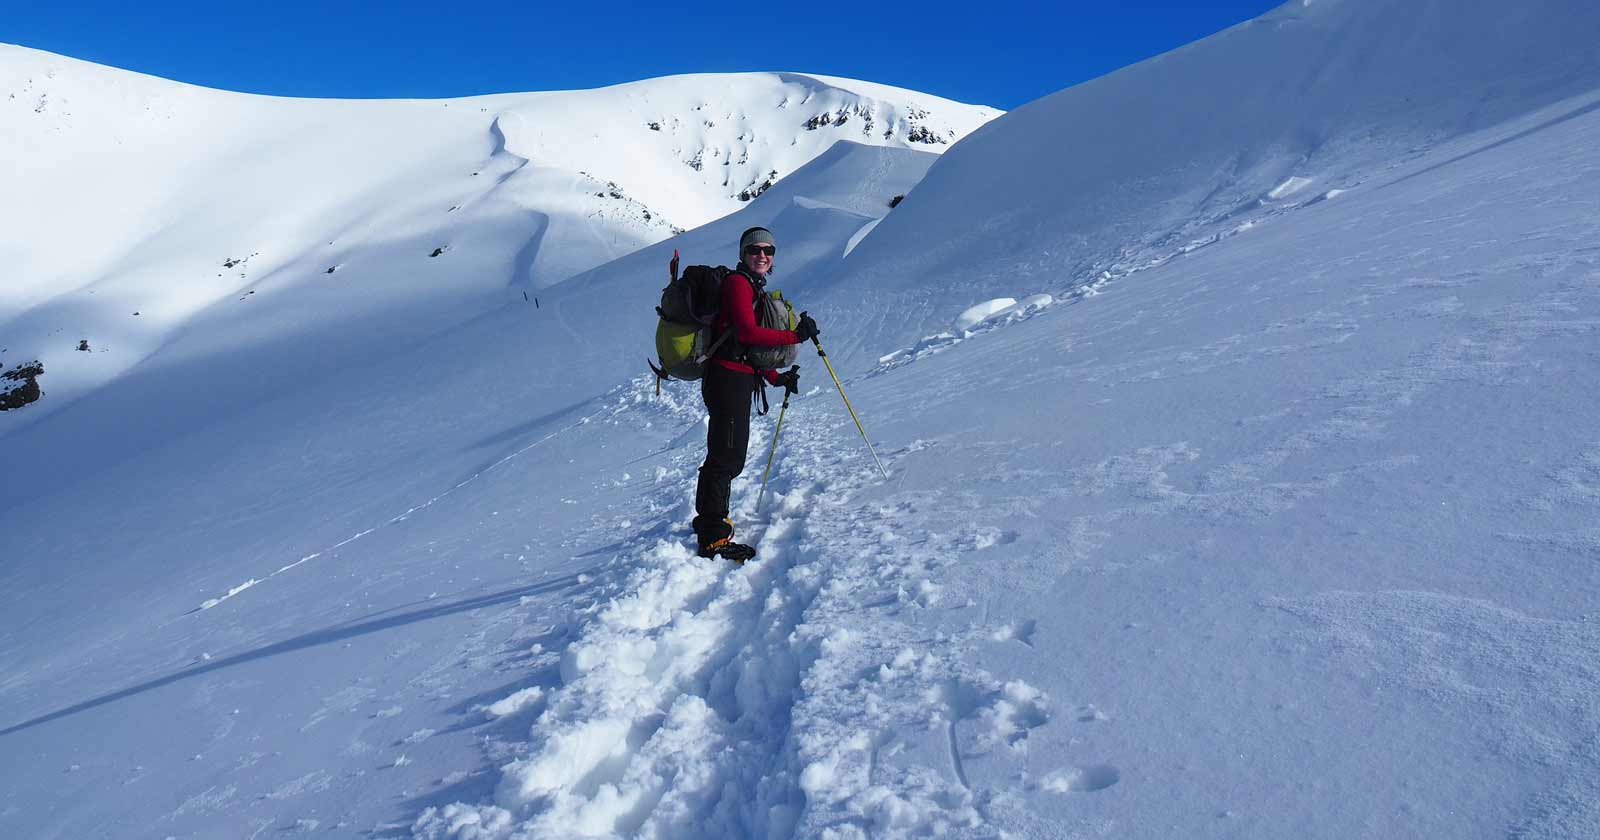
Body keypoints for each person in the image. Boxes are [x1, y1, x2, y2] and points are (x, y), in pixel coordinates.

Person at [693, 226, 821, 562]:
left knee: (726, 453)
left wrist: (776, 379)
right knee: (726, 457)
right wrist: (794, 338)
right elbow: (749, 333)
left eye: (768, 250)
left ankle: (710, 522)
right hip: (726, 380)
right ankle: (712, 536)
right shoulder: (738, 284)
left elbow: (742, 344)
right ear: (742, 254)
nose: (762, 255)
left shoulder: (752, 287)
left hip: (736, 378)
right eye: (754, 250)